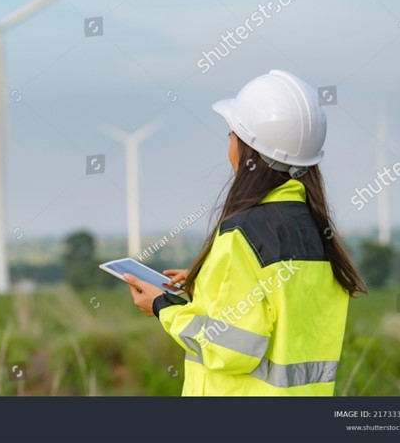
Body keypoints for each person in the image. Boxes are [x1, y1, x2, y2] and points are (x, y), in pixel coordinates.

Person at [125, 69, 367, 396]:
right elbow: (276, 307)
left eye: (231, 136)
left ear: (248, 149)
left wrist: (162, 308)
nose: (229, 147)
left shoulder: (244, 234)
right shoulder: (315, 232)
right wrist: (208, 283)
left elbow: (228, 350)